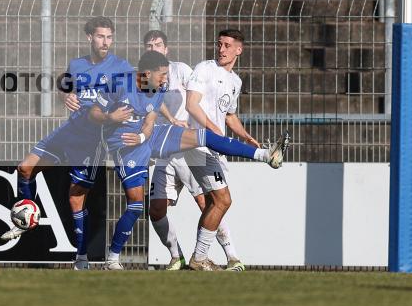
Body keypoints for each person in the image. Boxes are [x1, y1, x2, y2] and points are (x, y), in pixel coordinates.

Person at [90, 50, 289, 271]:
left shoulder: (158, 88)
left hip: (148, 136)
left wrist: (143, 136)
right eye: (162, 75)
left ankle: (265, 155)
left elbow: (149, 121)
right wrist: (110, 117)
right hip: (124, 146)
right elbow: (94, 113)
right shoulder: (118, 83)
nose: (166, 80)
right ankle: (112, 259)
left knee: (202, 136)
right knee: (136, 206)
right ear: (146, 73)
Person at [2, 16, 132, 272]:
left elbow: (130, 96)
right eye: (100, 36)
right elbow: (66, 82)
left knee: (75, 199)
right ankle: (26, 218)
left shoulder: (121, 67)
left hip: (92, 141)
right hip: (68, 132)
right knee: (25, 168)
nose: (105, 42)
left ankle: (81, 258)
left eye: (109, 37)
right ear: (89, 37)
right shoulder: (77, 64)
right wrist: (66, 94)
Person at [143, 30, 239, 271]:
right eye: (149, 45)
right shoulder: (144, 77)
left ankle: (232, 256)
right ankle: (177, 257)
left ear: (166, 49)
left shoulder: (181, 70)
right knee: (155, 209)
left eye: (158, 44)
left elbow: (197, 100)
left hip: (188, 147)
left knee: (208, 202)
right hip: (165, 151)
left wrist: (206, 126)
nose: (153, 48)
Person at [178, 29, 262, 271]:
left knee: (213, 203)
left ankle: (199, 258)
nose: (221, 49)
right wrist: (214, 130)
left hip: (215, 147)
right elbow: (191, 105)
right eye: (219, 44)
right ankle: (199, 258)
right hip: (198, 143)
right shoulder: (205, 68)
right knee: (223, 200)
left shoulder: (235, 81)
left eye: (227, 45)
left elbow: (230, 115)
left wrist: (245, 136)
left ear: (239, 49)